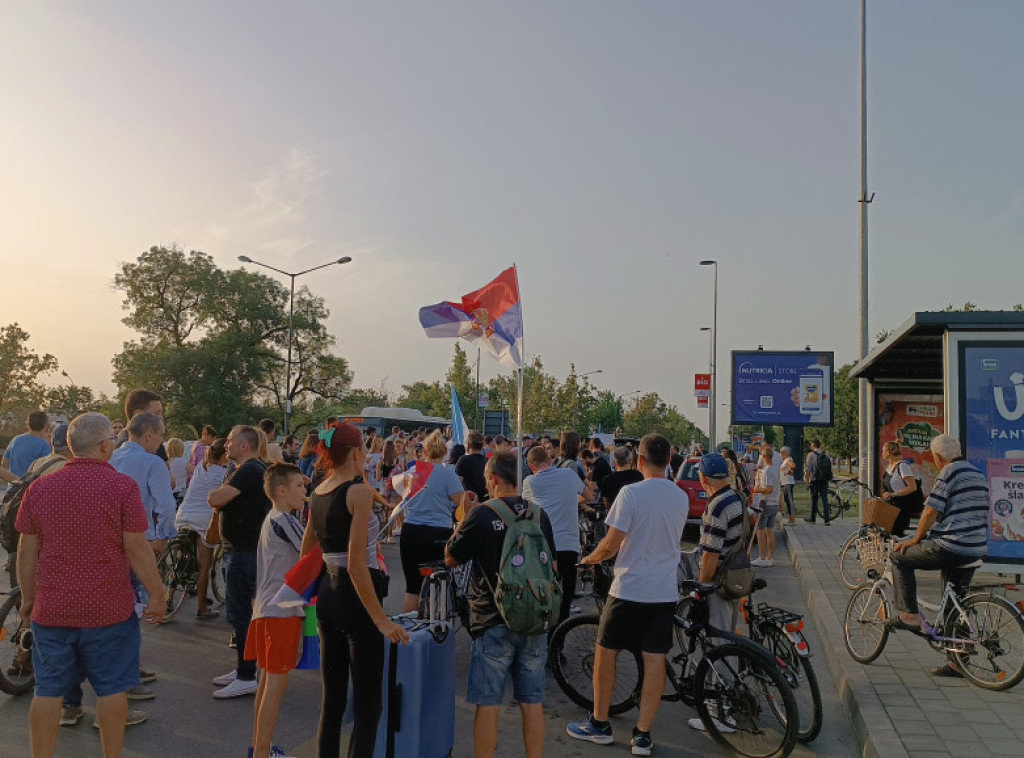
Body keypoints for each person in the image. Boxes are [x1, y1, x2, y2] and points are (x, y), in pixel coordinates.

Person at [15, 413, 165, 755]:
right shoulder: (122, 487)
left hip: (53, 609)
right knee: (111, 688)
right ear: (104, 447)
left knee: (47, 689)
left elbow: (26, 549)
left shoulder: (41, 488)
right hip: (109, 610)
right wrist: (157, 593)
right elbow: (136, 547)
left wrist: (28, 598)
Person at [566, 434, 686, 756]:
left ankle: (600, 723)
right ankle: (643, 735)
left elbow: (611, 543)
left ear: (639, 461)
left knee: (606, 652)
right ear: (669, 460)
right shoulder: (680, 495)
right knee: (655, 660)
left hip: (630, 588)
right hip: (663, 591)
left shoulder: (631, 493)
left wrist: (591, 559)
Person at [301, 422, 409, 757]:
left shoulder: (319, 489)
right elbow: (358, 564)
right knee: (368, 705)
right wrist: (381, 621)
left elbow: (306, 549)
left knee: (332, 701)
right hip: (356, 597)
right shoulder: (358, 492)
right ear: (357, 452)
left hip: (328, 594)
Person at [445, 451, 556, 758]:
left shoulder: (482, 514)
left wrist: (463, 518)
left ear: (494, 478)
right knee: (532, 702)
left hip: (493, 618)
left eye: (486, 480)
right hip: (534, 617)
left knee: (488, 703)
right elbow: (552, 568)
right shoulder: (539, 514)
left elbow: (451, 558)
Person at [890, 434, 988, 677]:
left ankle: (910, 614)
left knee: (900, 558)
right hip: (974, 547)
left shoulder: (949, 472)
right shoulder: (977, 473)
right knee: (955, 603)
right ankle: (958, 663)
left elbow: (930, 511)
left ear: (937, 456)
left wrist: (914, 540)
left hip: (951, 545)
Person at [245, 463, 307, 758]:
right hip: (281, 610)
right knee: (276, 682)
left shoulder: (274, 518)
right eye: (299, 486)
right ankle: (262, 751)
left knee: (268, 681)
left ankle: (261, 747)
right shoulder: (285, 519)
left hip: (268, 608)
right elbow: (311, 552)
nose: (305, 491)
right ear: (282, 491)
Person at [209, 425, 271, 698]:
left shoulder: (249, 470)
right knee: (242, 613)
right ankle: (244, 669)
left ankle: (246, 675)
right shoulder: (246, 469)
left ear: (244, 445)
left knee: (240, 614)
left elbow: (216, 498)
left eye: (230, 440)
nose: (225, 444)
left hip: (244, 552)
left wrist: (216, 496)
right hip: (243, 551)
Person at [685, 453, 746, 732]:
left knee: (718, 645)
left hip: (718, 584)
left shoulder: (717, 505)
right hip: (734, 579)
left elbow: (710, 555)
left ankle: (722, 713)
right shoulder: (735, 498)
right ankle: (727, 701)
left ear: (703, 477)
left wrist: (701, 588)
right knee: (727, 638)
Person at [398, 430, 473, 613]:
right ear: (445, 453)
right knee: (437, 583)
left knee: (412, 587)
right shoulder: (448, 475)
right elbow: (462, 503)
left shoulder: (412, 472)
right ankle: (434, 623)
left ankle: (410, 626)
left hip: (411, 531)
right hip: (438, 532)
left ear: (423, 452)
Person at [522, 445, 588, 625]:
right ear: (550, 460)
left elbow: (526, 509)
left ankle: (544, 629)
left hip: (544, 545)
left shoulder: (529, 482)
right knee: (566, 593)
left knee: (543, 590)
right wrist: (570, 499)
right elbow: (588, 496)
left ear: (531, 465)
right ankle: (560, 632)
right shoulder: (569, 474)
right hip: (569, 543)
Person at [175, 437, 228, 620]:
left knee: (181, 558)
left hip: (183, 514)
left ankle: (170, 596)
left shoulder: (200, 467)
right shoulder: (223, 474)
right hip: (203, 519)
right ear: (225, 455)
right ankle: (202, 607)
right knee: (204, 566)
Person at [881, 441, 920, 537]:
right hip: (890, 507)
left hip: (901, 508)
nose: (882, 453)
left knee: (896, 535)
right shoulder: (889, 467)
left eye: (883, 450)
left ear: (888, 452)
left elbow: (912, 487)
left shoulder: (902, 466)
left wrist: (894, 494)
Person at [750, 443, 780, 567]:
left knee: (760, 531)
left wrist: (757, 489)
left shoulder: (767, 471)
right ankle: (770, 558)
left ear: (763, 456)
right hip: (774, 503)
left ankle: (762, 557)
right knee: (770, 530)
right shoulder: (776, 469)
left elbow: (769, 489)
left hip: (766, 503)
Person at [3, 410, 52, 478]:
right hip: (31, 483)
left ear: (29, 424)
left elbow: (5, 463)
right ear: (45, 425)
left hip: (13, 483)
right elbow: (47, 469)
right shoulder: (44, 445)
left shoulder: (16, 439)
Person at [803, 439, 831, 525]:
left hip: (814, 480)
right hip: (824, 480)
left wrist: (807, 482)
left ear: (813, 445)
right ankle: (827, 520)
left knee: (814, 500)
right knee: (825, 500)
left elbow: (808, 469)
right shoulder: (826, 454)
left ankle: (812, 519)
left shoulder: (810, 455)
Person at [455, 431, 489, 502]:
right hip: (485, 498)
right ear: (482, 446)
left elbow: (458, 481)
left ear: (468, 445)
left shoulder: (464, 460)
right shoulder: (487, 461)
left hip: (470, 498)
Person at [779, 446, 797, 525]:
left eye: (782, 452)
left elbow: (793, 466)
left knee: (789, 501)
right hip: (785, 483)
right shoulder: (785, 460)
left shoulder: (788, 459)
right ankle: (790, 518)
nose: (781, 454)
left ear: (785, 453)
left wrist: (790, 470)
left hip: (788, 483)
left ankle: (792, 520)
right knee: (787, 500)